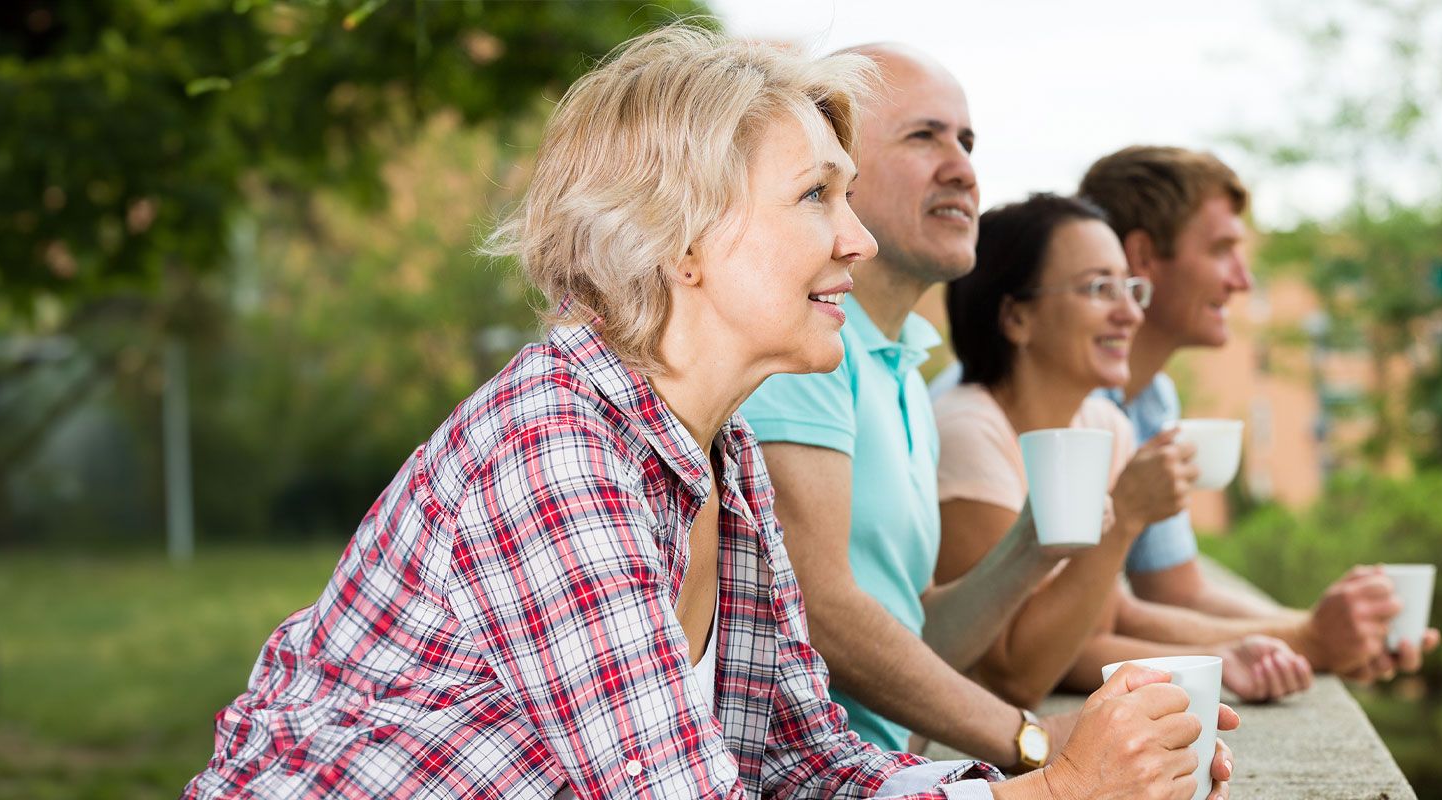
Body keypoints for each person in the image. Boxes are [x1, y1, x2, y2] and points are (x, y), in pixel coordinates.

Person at [183, 29, 1236, 800]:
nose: (856, 240)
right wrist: (1053, 790)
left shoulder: (717, 457)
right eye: (815, 197)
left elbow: (801, 756)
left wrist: (1077, 762)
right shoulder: (556, 446)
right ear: (679, 239)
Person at [739, 45, 1085, 769]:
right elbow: (820, 612)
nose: (963, 167)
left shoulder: (902, 364)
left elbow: (910, 629)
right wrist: (1028, 738)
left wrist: (1033, 545)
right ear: (833, 170)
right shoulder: (802, 347)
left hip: (885, 771)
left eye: (967, 141)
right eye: (924, 136)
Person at [1076, 146, 1442, 682]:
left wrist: (1344, 631)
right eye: (1223, 249)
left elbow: (1177, 590)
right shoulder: (1068, 403)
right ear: (1144, 258)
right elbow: (1090, 628)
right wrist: (1311, 639)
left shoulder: (1152, 400)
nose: (1242, 280)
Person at [931, 193, 1313, 707]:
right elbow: (1012, 675)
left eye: (1131, 288)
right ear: (1016, 317)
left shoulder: (1101, 423)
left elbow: (1096, 622)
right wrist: (1126, 516)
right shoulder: (967, 431)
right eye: (1099, 288)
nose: (1131, 313)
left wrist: (1223, 656)